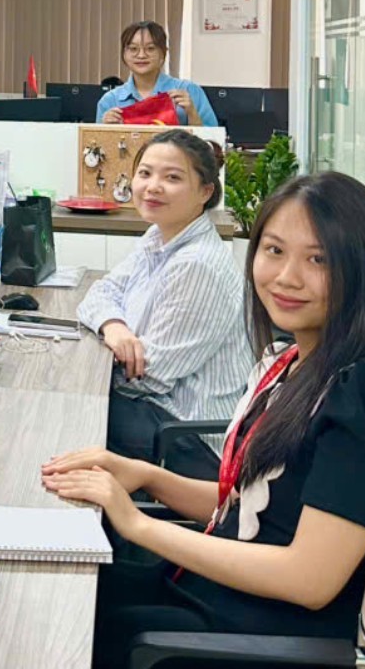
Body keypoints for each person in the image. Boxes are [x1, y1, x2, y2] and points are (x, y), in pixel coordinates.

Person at [45, 172, 365, 668]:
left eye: (319, 260)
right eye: (274, 250)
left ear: (362, 270)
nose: (287, 277)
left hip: (260, 638)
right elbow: (253, 511)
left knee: (58, 623)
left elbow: (310, 578)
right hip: (211, 597)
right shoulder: (296, 363)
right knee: (53, 584)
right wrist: (146, 477)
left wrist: (135, 522)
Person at [77, 130, 251, 479]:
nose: (152, 186)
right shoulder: (159, 235)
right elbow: (101, 291)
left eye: (172, 178)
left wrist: (90, 367)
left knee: (73, 410)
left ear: (205, 192)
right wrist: (114, 326)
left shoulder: (198, 264)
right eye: (145, 173)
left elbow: (148, 377)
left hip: (190, 436)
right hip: (156, 410)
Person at [96, 20, 217, 126]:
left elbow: (213, 141)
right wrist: (105, 129)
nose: (141, 55)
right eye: (133, 49)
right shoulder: (110, 100)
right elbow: (98, 143)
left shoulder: (188, 90)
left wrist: (192, 114)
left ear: (163, 53)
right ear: (124, 54)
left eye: (150, 48)